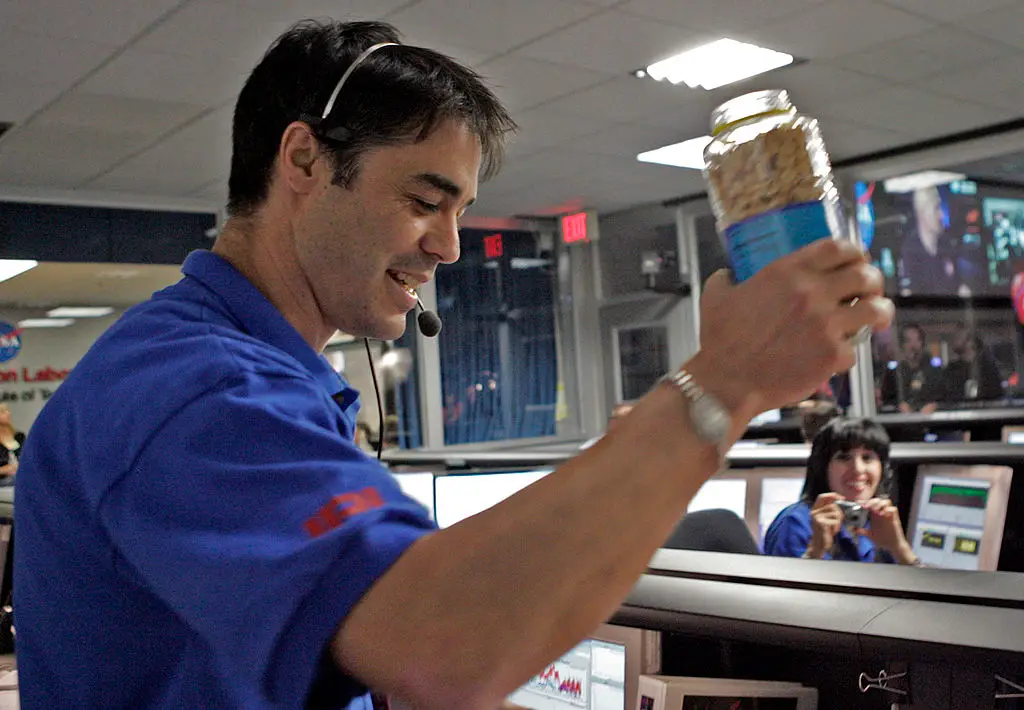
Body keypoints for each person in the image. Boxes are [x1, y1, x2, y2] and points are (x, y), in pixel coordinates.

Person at [13, 19, 893, 710]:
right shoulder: (199, 391)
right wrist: (725, 381)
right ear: (304, 161)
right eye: (425, 200)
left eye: (462, 209)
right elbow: (443, 644)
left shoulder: (266, 379)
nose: (450, 245)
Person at [763, 418, 918, 565]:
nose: (858, 469)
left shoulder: (877, 521)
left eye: (867, 457)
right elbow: (789, 590)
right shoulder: (796, 522)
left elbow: (923, 588)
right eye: (844, 457)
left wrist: (900, 548)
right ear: (823, 467)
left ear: (882, 469)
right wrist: (814, 552)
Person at [879, 323, 944, 413]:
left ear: (922, 344)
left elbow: (946, 399)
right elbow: (886, 402)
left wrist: (935, 406)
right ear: (902, 345)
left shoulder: (935, 372)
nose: (913, 346)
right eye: (908, 341)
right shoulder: (893, 374)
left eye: (917, 340)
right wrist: (898, 407)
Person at [944, 329, 1003, 403]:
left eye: (958, 337)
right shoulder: (952, 368)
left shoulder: (987, 367)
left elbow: (996, 395)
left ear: (970, 342)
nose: (954, 341)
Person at [0, 404, 25, 485]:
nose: (8, 413)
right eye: (3, 412)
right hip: (4, 478)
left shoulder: (19, 436)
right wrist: (6, 469)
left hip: (20, 472)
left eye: (8, 411)